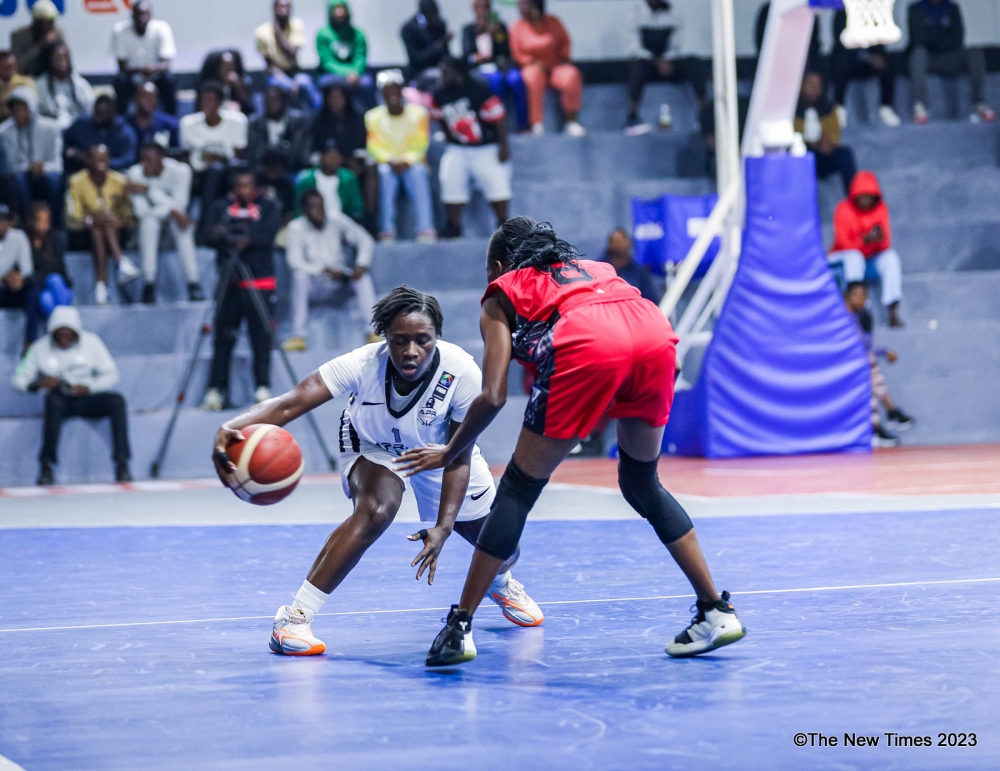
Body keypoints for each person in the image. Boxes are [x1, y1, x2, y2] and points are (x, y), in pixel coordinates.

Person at [395, 217, 746, 666]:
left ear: (499, 264)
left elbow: (494, 394)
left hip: (589, 341)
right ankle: (716, 609)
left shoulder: (503, 291)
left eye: (489, 269)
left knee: (518, 489)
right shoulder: (594, 269)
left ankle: (459, 625)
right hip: (656, 334)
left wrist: (451, 449)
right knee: (642, 482)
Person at [211, 286, 544, 656]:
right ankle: (294, 618)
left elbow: (459, 455)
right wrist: (233, 426)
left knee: (501, 543)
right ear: (384, 336)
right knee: (377, 509)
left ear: (437, 338)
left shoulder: (461, 371)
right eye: (400, 340)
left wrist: (444, 526)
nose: (411, 351)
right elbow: (292, 403)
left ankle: (501, 581)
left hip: (440, 451)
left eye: (423, 340)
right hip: (373, 445)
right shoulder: (363, 363)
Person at [12, 305, 132, 486]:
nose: (64, 338)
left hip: (88, 396)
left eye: (69, 334)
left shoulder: (92, 342)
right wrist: (37, 384)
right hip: (60, 400)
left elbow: (112, 374)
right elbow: (18, 378)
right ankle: (47, 466)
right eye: (60, 334)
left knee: (117, 401)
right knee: (52, 402)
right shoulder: (39, 347)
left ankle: (122, 463)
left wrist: (89, 387)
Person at [200, 168, 282, 411]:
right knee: (223, 339)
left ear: (255, 187)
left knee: (261, 338)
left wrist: (247, 239)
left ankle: (262, 387)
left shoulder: (269, 206)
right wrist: (220, 235)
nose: (244, 190)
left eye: (248, 185)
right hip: (230, 283)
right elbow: (206, 235)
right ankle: (216, 390)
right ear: (232, 187)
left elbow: (268, 234)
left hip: (260, 283)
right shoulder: (220, 207)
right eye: (239, 186)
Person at [282, 188, 376, 352]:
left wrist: (361, 264)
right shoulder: (295, 228)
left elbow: (365, 240)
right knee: (299, 277)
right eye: (314, 207)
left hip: (340, 280)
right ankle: (298, 336)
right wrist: (323, 270)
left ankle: (373, 332)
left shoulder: (337, 220)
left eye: (322, 206)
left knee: (363, 277)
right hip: (315, 283)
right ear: (305, 210)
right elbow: (294, 262)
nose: (320, 212)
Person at [432, 57, 511, 239]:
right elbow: (440, 118)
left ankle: (503, 224)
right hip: (458, 148)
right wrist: (450, 139)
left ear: (456, 72)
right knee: (450, 180)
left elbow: (498, 118)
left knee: (497, 182)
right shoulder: (440, 94)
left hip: (486, 146)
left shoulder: (479, 89)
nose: (441, 76)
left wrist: (503, 146)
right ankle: (454, 226)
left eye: (445, 72)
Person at [126, 143, 204, 304]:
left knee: (182, 224)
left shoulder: (181, 171)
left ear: (162, 159)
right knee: (149, 223)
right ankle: (148, 284)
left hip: (172, 226)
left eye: (149, 160)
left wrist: (149, 190)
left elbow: (180, 204)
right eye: (142, 160)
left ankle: (193, 282)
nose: (144, 164)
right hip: (145, 228)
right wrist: (170, 209)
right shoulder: (134, 173)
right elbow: (141, 212)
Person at [365, 70, 435, 242]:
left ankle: (426, 228)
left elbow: (420, 144)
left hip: (412, 163)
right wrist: (389, 160)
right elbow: (374, 146)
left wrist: (408, 160)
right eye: (387, 90)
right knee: (384, 174)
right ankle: (387, 230)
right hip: (387, 164)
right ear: (381, 93)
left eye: (396, 88)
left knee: (418, 172)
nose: (392, 94)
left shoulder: (419, 113)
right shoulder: (372, 116)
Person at [66, 145, 141, 305]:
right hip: (84, 232)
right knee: (100, 223)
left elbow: (129, 215)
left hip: (118, 231)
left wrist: (117, 220)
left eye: (104, 158)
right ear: (89, 160)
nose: (101, 162)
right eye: (96, 158)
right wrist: (92, 220)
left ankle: (101, 285)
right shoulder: (76, 182)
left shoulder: (120, 181)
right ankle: (121, 261)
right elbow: (72, 217)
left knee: (102, 226)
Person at [844, 281, 915, 448]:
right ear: (847, 297)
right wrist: (883, 351)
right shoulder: (842, 319)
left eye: (864, 296)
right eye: (857, 295)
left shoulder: (864, 317)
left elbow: (865, 347)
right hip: (844, 365)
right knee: (869, 366)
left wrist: (881, 351)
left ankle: (883, 420)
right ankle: (890, 412)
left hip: (861, 364)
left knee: (869, 369)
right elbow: (855, 348)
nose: (861, 300)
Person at [829, 170, 904, 328]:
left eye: (869, 196)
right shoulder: (843, 209)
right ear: (855, 195)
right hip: (841, 261)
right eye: (862, 196)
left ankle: (892, 310)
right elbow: (843, 243)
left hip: (868, 260)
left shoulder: (881, 209)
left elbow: (885, 244)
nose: (865, 200)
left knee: (890, 257)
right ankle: (853, 308)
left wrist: (878, 240)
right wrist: (865, 241)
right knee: (854, 257)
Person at [625, 0, 709, 135]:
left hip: (669, 63)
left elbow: (676, 45)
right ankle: (632, 117)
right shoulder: (634, 14)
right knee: (637, 68)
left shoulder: (673, 14)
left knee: (694, 63)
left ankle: (706, 115)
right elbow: (634, 47)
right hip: (647, 62)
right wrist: (657, 61)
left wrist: (667, 60)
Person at [180, 82, 249, 241]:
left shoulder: (237, 121)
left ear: (220, 103)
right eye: (203, 100)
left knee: (216, 170)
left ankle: (207, 228)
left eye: (210, 100)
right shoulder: (188, 123)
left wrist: (220, 158)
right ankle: (203, 227)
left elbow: (239, 155)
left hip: (229, 173)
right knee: (209, 173)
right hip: (198, 174)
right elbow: (185, 157)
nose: (206, 105)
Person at [907, 0, 995, 124]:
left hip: (950, 57)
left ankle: (979, 103)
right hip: (930, 59)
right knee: (918, 54)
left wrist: (932, 37)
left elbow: (958, 38)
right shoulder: (915, 9)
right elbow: (917, 38)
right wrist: (942, 36)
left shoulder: (952, 8)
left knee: (975, 52)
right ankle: (920, 107)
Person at [510, 0, 584, 137]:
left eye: (525, 3)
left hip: (556, 67)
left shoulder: (552, 21)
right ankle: (536, 124)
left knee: (571, 74)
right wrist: (534, 63)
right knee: (532, 77)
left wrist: (564, 59)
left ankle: (571, 121)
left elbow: (565, 42)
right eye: (520, 4)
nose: (521, 7)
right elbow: (517, 55)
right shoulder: (517, 27)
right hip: (533, 68)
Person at [311, 79, 374, 223]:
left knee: (369, 168)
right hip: (323, 165)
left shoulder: (357, 118)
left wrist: (345, 159)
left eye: (339, 97)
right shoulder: (317, 120)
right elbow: (311, 150)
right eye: (331, 98)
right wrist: (325, 158)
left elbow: (362, 148)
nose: (335, 101)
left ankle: (367, 218)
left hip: (350, 162)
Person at [0, 87, 63, 228]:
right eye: (14, 108)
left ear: (31, 107)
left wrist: (43, 167)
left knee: (54, 180)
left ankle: (55, 226)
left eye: (22, 107)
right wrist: (28, 167)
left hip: (45, 173)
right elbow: (8, 166)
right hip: (20, 173)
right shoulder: (3, 132)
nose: (17, 111)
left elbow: (58, 163)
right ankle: (25, 223)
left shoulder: (51, 128)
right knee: (18, 181)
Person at [462, 0, 528, 133]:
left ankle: (524, 126)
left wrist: (495, 35)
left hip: (502, 66)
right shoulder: (469, 29)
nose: (482, 10)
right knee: (496, 82)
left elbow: (506, 52)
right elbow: (467, 56)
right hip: (482, 69)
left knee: (517, 80)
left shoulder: (499, 27)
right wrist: (478, 55)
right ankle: (498, 127)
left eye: (485, 7)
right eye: (479, 7)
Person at [830, 10, 900, 128]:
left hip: (869, 63)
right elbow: (841, 43)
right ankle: (839, 109)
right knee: (841, 63)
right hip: (849, 59)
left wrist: (876, 57)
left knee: (887, 63)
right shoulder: (842, 13)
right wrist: (866, 56)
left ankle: (886, 108)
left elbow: (881, 41)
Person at [795, 71, 857, 194]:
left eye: (818, 85)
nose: (814, 88)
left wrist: (827, 143)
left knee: (845, 154)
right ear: (801, 85)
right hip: (801, 156)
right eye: (810, 84)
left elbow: (834, 136)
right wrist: (811, 144)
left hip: (822, 156)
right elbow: (792, 134)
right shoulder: (792, 109)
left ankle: (853, 196)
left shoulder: (829, 109)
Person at [111, 0, 177, 116]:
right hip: (133, 78)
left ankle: (171, 119)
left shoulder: (162, 28)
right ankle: (120, 120)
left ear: (150, 15)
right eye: (139, 14)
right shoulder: (120, 31)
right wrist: (141, 70)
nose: (143, 18)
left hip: (156, 76)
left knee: (169, 79)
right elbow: (122, 66)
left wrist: (152, 69)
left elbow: (166, 64)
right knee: (120, 80)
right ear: (132, 16)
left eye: (146, 14)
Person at [255, 0, 322, 111]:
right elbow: (269, 64)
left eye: (287, 8)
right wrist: (288, 82)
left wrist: (278, 35)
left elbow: (292, 54)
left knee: (305, 82)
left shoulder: (297, 26)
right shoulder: (262, 32)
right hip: (275, 74)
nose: (284, 11)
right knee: (274, 87)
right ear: (274, 9)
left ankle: (319, 116)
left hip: (294, 72)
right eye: (280, 8)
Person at [316, 0, 374, 109]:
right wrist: (348, 74)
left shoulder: (358, 34)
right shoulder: (323, 34)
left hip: (356, 74)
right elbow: (327, 61)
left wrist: (355, 73)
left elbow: (360, 58)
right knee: (324, 83)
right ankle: (323, 121)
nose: (339, 13)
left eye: (342, 8)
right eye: (336, 9)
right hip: (331, 74)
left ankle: (365, 118)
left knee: (367, 83)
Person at [63, 94, 138, 175]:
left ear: (112, 112)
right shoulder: (81, 124)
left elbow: (127, 160)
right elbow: (65, 142)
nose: (97, 118)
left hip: (112, 175)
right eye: (96, 113)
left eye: (102, 114)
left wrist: (100, 162)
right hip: (81, 172)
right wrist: (73, 153)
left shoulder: (125, 132)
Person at [294, 139, 364, 223]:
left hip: (341, 224)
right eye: (329, 155)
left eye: (336, 156)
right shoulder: (306, 179)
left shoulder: (348, 178)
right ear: (321, 157)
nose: (333, 159)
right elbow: (298, 209)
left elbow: (356, 208)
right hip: (311, 225)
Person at [246, 84, 312, 173]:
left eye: (274, 100)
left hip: (291, 169)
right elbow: (253, 153)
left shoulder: (299, 122)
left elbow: (301, 152)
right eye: (267, 101)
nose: (271, 104)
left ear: (284, 101)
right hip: (262, 171)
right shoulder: (254, 123)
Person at [0, 204, 39, 351]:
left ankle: (30, 343)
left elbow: (27, 269)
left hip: (11, 288)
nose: (1, 224)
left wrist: (17, 278)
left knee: (33, 292)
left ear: (11, 222)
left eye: (4, 220)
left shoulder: (18, 236)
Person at [34, 44, 95, 131]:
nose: (63, 62)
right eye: (58, 58)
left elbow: (90, 111)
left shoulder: (81, 85)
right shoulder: (39, 85)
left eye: (66, 58)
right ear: (50, 60)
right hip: (50, 131)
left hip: (77, 132)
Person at [401, 0, 452, 87]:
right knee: (436, 77)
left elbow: (446, 54)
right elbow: (416, 59)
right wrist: (438, 46)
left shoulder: (440, 24)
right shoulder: (409, 29)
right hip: (420, 72)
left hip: (441, 68)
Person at [10, 0, 66, 78]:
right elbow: (19, 66)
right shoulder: (19, 36)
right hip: (27, 79)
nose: (52, 25)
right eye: (49, 22)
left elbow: (66, 60)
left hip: (53, 80)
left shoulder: (57, 34)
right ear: (38, 22)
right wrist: (39, 47)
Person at [604, 228, 661, 304]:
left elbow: (650, 298)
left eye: (622, 241)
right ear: (609, 245)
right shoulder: (601, 269)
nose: (620, 245)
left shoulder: (639, 270)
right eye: (617, 242)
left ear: (629, 243)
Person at [128, 80, 180, 153]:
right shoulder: (125, 124)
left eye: (153, 97)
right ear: (136, 98)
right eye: (145, 96)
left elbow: (175, 152)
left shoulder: (170, 124)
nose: (149, 100)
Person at [198, 50, 254, 116]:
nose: (230, 71)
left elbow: (250, 109)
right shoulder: (209, 88)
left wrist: (239, 90)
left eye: (232, 67)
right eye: (226, 67)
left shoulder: (243, 84)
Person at [0, 50, 35, 125]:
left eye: (11, 67)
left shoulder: (26, 82)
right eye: (4, 68)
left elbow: (32, 105)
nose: (8, 71)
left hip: (23, 121)